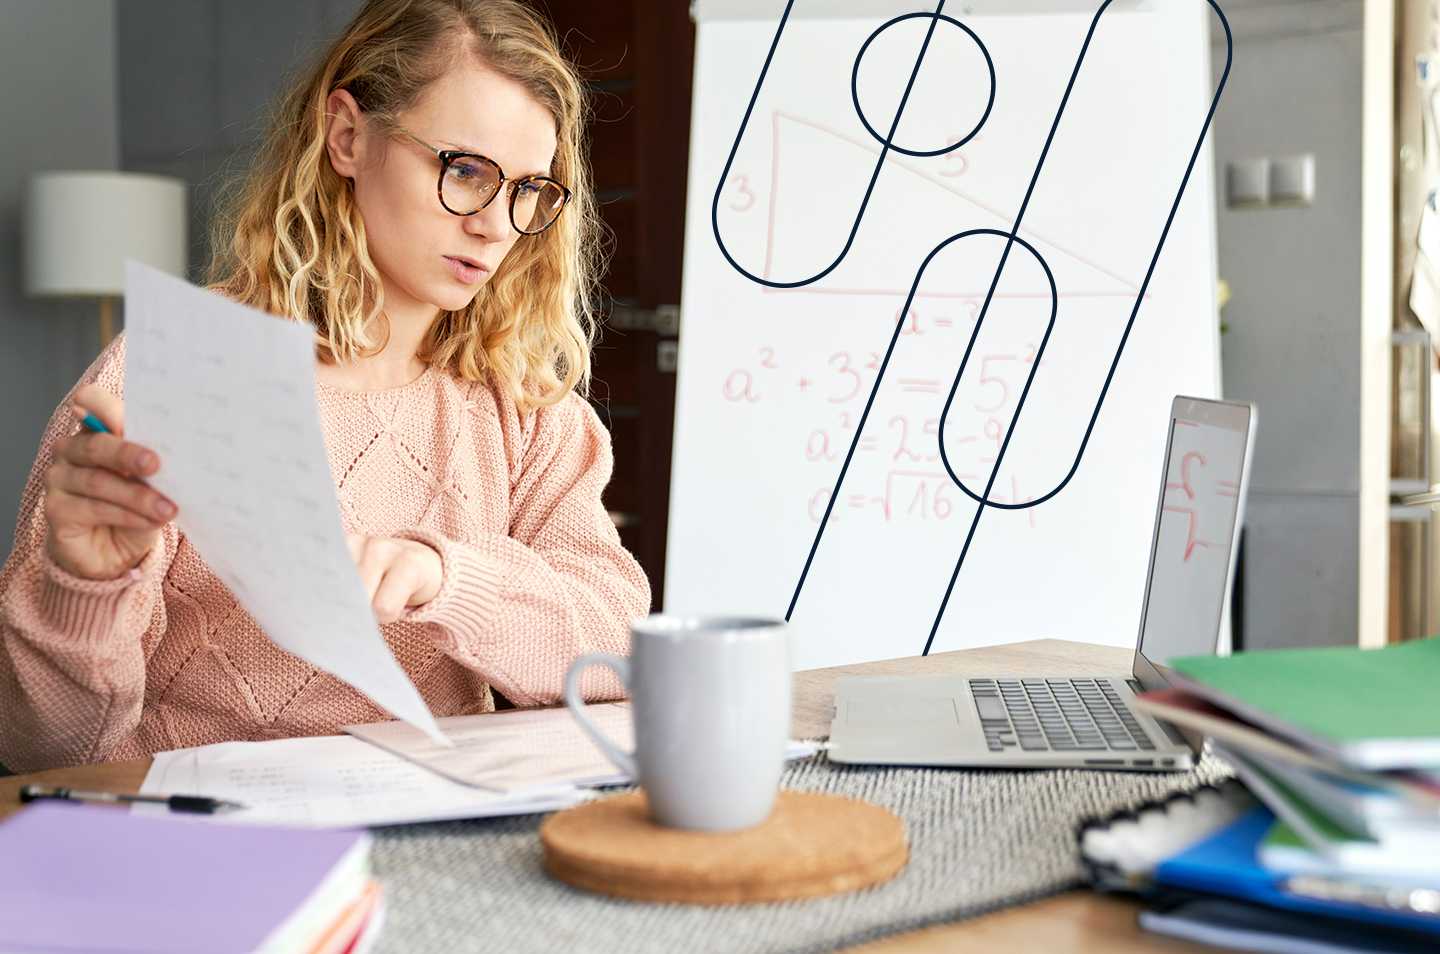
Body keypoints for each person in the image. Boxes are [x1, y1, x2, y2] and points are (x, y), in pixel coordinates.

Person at [0, 0, 650, 773]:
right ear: (347, 136)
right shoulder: (166, 379)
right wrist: (82, 584)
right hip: (206, 839)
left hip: (440, 829)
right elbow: (42, 749)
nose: (497, 226)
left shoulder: (527, 409)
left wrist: (449, 577)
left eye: (529, 190)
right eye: (466, 170)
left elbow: (616, 650)